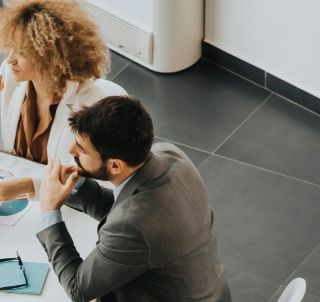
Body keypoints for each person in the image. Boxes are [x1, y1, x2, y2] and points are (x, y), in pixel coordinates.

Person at [33, 96, 230, 301]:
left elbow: (77, 289)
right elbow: (128, 207)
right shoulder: (170, 155)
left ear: (115, 166)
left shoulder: (132, 226)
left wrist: (50, 213)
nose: (70, 150)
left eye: (81, 149)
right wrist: (75, 185)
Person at [0, 0, 126, 201]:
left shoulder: (93, 103)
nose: (10, 60)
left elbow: (89, 182)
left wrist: (30, 186)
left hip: (61, 205)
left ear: (49, 56)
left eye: (22, 52)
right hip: (17, 196)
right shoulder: (12, 76)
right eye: (11, 48)